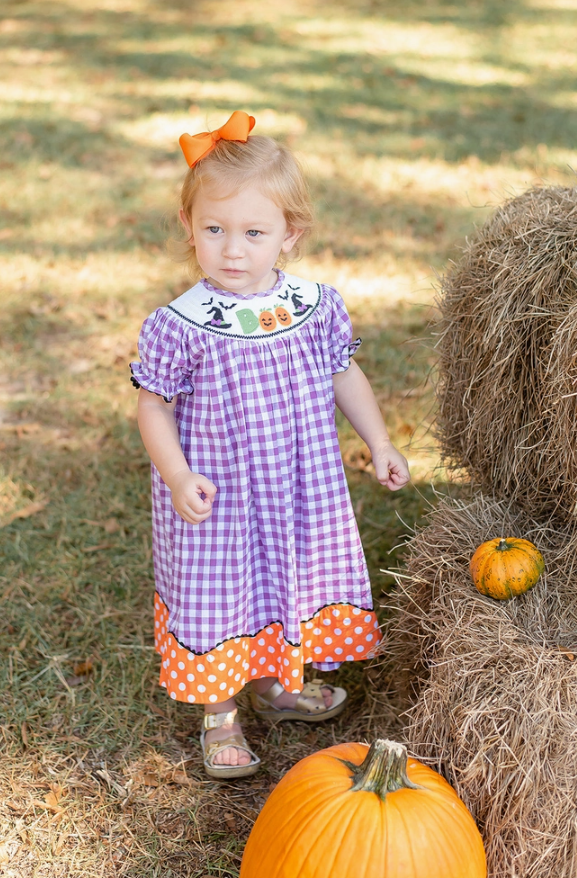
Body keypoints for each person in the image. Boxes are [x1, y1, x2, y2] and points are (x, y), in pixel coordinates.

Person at [130, 111, 410, 779]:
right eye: (214, 230)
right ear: (188, 230)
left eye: (253, 233)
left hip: (296, 486)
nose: (232, 250)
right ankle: (220, 709)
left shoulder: (315, 305)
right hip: (215, 494)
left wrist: (377, 441)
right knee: (219, 592)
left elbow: (344, 372)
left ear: (290, 234)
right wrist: (175, 476)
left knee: (286, 580)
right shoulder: (181, 323)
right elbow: (152, 406)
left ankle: (278, 683)